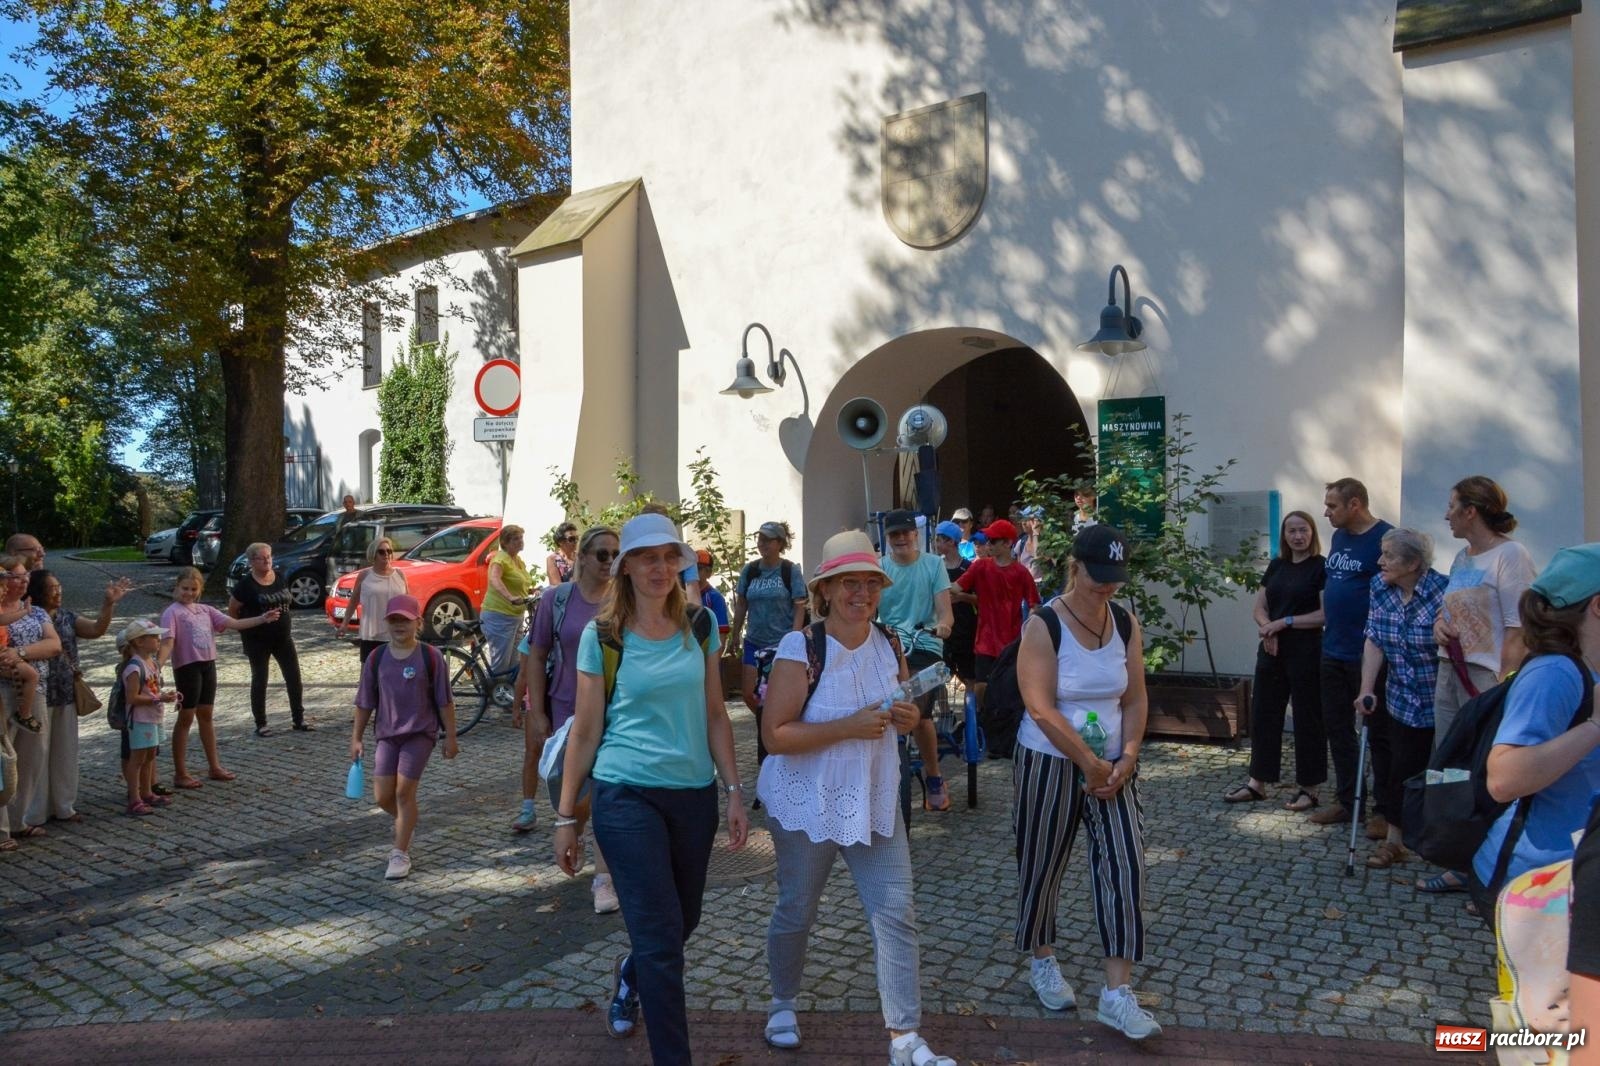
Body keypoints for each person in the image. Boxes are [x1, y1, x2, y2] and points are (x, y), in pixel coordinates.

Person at [756, 530, 959, 1066]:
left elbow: (901, 708)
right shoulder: (802, 647)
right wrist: (847, 726)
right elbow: (775, 735)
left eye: (870, 582)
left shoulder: (890, 642)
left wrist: (908, 718)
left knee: (896, 912)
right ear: (824, 589)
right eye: (849, 582)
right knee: (797, 910)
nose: (861, 593)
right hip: (808, 802)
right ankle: (782, 1003)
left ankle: (905, 1038)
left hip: (872, 797)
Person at [552, 512, 747, 1060]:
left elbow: (715, 713)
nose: (660, 568)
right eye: (647, 558)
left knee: (683, 921)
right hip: (624, 794)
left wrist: (734, 789)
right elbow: (585, 731)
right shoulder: (603, 636)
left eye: (668, 557)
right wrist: (566, 817)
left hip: (693, 795)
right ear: (627, 567)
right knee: (662, 941)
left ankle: (630, 973)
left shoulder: (700, 626)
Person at [1013, 524, 1161, 1040]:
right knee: (1043, 863)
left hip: (1113, 765)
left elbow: (1135, 697)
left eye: (1114, 578)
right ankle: (1042, 958)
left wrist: (1128, 755)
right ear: (1074, 567)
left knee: (1125, 865)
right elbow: (1039, 706)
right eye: (1098, 577)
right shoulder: (1044, 625)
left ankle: (1117, 994)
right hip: (1050, 760)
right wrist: (1085, 761)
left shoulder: (1124, 622)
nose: (1107, 587)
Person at [1470, 544, 1600, 920]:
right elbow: (1504, 778)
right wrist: (1596, 725)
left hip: (1579, 874)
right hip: (1539, 889)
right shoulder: (1554, 673)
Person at [511, 525, 621, 914]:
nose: (610, 562)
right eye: (602, 554)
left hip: (613, 711)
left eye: (616, 555)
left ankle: (604, 878)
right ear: (582, 557)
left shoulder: (624, 599)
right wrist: (537, 711)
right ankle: (573, 830)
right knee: (569, 793)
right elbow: (537, 654)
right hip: (565, 708)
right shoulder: (556, 599)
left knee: (605, 791)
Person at [1354, 528, 1446, 868]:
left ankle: (1448, 842)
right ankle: (1395, 841)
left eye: (1389, 555)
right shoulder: (1380, 587)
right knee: (1400, 769)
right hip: (1401, 698)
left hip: (1441, 698)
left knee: (1445, 772)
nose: (1380, 561)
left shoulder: (1444, 591)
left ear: (1413, 563)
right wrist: (1366, 688)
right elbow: (1374, 638)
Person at [350, 594, 458, 880]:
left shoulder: (430, 657)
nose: (399, 625)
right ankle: (406, 822)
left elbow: (445, 701)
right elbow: (364, 702)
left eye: (406, 620)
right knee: (382, 796)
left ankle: (399, 853)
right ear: (386, 623)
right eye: (394, 620)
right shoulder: (376, 658)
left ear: (418, 623)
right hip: (387, 735)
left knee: (403, 793)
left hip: (419, 734)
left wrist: (451, 736)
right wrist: (356, 738)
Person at [1224, 511, 1326, 809]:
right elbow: (1259, 607)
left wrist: (1283, 623)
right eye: (1291, 531)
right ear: (1284, 535)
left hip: (1306, 651)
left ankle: (1310, 788)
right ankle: (1257, 783)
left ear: (1312, 533)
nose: (1297, 536)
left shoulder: (1321, 567)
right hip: (1272, 650)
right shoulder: (1277, 565)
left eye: (1303, 530)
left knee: (1308, 718)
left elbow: (1324, 614)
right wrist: (1268, 627)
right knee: (1264, 714)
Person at [1309, 478, 1393, 830]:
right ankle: (1348, 801)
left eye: (1332, 506)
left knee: (1379, 733)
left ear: (1355, 504)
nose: (1326, 512)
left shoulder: (1386, 539)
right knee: (1338, 729)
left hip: (1369, 654)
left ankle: (1384, 810)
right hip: (1333, 648)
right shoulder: (1340, 537)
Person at [26, 569, 130, 824]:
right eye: (52, 588)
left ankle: (64, 805)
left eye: (59, 587)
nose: (58, 592)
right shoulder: (28, 619)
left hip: (65, 693)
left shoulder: (66, 617)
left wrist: (108, 604)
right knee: (37, 755)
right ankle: (36, 810)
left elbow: (96, 629)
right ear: (38, 592)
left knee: (65, 751)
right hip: (37, 694)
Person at [159, 568, 279, 788]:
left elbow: (234, 623)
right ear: (176, 587)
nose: (188, 593)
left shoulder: (205, 610)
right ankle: (180, 772)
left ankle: (214, 766)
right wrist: (156, 666)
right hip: (187, 668)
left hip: (208, 665)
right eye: (185, 588)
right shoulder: (171, 612)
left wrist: (262, 619)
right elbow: (168, 643)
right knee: (186, 718)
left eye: (193, 589)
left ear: (199, 590)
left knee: (206, 715)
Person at [876, 509, 956, 812]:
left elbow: (945, 611)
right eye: (894, 534)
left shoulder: (933, 565)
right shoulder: (880, 568)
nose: (900, 538)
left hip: (924, 644)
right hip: (886, 645)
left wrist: (944, 625)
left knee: (918, 714)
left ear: (915, 534)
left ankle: (934, 776)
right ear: (887, 538)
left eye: (905, 533)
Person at [726, 520, 808, 763]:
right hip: (754, 641)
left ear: (779, 543)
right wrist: (735, 634)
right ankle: (768, 724)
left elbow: (799, 606)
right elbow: (742, 604)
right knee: (750, 695)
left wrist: (794, 639)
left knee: (776, 695)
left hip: (780, 644)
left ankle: (777, 735)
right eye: (759, 539)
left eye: (767, 540)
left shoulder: (790, 571)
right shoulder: (750, 570)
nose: (762, 544)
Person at [0, 555, 62, 847]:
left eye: (25, 575)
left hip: (34, 689)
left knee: (33, 753)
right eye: (15, 576)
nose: (23, 580)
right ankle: (1, 829)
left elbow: (54, 645)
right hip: (3, 689)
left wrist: (19, 653)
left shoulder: (35, 611)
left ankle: (18, 820)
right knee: (4, 757)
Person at [954, 519, 1041, 707]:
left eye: (993, 541)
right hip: (984, 643)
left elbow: (1034, 604)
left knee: (1008, 693)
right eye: (987, 540)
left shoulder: (1021, 573)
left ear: (1008, 543)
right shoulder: (980, 566)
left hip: (1011, 644)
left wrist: (1029, 632)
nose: (988, 545)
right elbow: (955, 587)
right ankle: (983, 721)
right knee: (981, 689)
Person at [228, 541, 311, 736]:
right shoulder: (245, 585)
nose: (267, 561)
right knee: (260, 679)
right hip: (257, 639)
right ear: (252, 561)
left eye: (269, 557)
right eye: (262, 558)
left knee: (293, 677)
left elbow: (286, 599)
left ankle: (298, 719)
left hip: (283, 637)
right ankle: (261, 723)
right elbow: (233, 609)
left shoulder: (279, 577)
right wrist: (244, 627)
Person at [117, 618, 177, 817]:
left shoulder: (151, 663)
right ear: (139, 641)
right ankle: (134, 799)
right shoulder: (134, 667)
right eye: (154, 637)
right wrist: (158, 698)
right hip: (140, 719)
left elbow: (151, 689)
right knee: (137, 759)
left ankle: (147, 792)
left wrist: (163, 695)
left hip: (153, 717)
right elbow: (132, 698)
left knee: (150, 755)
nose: (159, 640)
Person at [337, 536, 409, 664]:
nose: (386, 554)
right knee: (368, 671)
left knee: (395, 670)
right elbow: (353, 601)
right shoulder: (365, 575)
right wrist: (344, 624)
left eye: (389, 551)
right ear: (373, 554)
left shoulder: (399, 575)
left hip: (396, 632)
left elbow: (408, 603)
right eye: (381, 552)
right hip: (371, 633)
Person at [481, 525, 532, 673]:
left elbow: (518, 584)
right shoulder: (500, 559)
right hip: (499, 615)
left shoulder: (517, 560)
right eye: (515, 539)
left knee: (514, 663)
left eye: (521, 537)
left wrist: (531, 591)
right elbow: (494, 579)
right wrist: (510, 597)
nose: (520, 541)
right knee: (501, 664)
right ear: (505, 542)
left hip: (516, 616)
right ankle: (493, 688)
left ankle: (506, 687)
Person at [933, 521, 977, 687]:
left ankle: (971, 703)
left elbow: (980, 599)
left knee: (970, 676)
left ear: (951, 541)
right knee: (939, 677)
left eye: (939, 540)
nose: (936, 544)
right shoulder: (936, 566)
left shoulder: (968, 567)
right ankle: (943, 704)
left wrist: (962, 597)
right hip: (943, 628)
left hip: (965, 628)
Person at [696, 551, 729, 631]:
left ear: (709, 573)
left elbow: (721, 631)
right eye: (690, 568)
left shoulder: (715, 597)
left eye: (698, 568)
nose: (694, 571)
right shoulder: (681, 594)